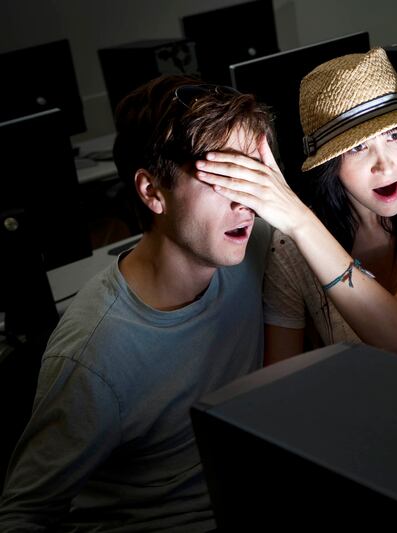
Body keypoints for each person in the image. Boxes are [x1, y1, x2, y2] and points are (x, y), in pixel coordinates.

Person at [0, 75, 273, 531]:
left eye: (251, 173)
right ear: (151, 192)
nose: (246, 200)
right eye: (223, 177)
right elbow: (22, 515)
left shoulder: (257, 246)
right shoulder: (94, 351)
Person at [191, 48, 397, 376]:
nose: (385, 165)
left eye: (395, 135)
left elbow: (396, 334)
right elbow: (282, 382)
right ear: (330, 165)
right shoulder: (288, 248)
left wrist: (300, 221)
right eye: (358, 147)